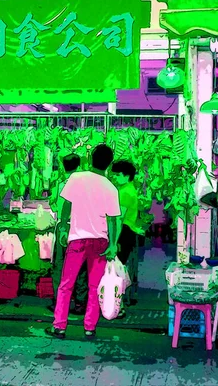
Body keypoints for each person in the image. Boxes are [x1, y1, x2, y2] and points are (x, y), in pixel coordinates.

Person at [46, 144, 121, 340]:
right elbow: (112, 220)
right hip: (100, 243)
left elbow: (66, 205)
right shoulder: (111, 188)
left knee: (66, 284)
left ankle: (59, 326)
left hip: (77, 240)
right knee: (94, 286)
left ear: (89, 159)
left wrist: (63, 226)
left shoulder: (76, 178)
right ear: (110, 164)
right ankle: (89, 327)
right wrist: (113, 244)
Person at [48, 153, 88, 314]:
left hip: (63, 228)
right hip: (79, 229)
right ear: (79, 167)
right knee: (80, 267)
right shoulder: (85, 186)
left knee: (59, 266)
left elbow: (54, 206)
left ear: (63, 166)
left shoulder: (59, 185)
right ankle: (80, 304)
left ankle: (60, 301)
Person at [110, 160, 140, 314]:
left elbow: (118, 218)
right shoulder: (128, 189)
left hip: (123, 232)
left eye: (117, 174)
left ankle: (118, 306)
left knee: (116, 270)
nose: (114, 177)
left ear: (126, 176)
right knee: (118, 269)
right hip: (127, 232)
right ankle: (116, 304)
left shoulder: (125, 192)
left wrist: (113, 242)